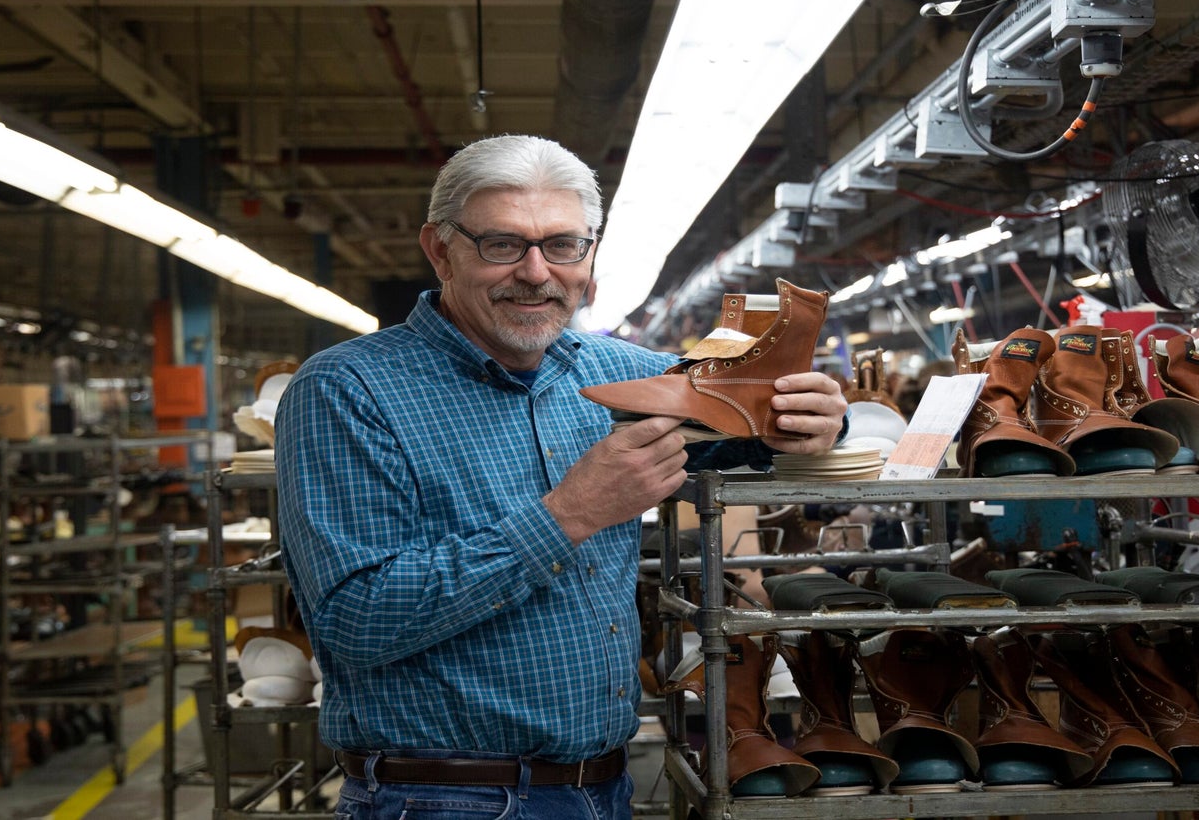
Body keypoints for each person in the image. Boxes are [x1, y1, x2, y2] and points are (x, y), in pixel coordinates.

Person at [274, 134, 847, 819]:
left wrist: (813, 419)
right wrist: (569, 515)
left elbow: (744, 423)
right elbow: (354, 621)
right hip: (441, 798)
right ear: (439, 249)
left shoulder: (614, 372)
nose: (538, 273)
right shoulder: (349, 391)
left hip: (602, 789)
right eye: (503, 245)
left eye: (565, 245)